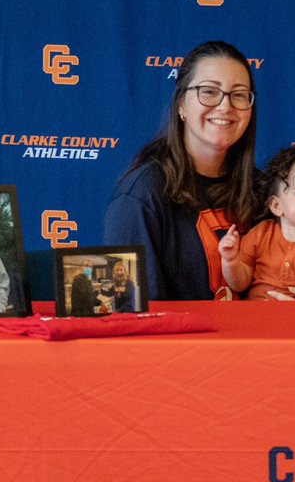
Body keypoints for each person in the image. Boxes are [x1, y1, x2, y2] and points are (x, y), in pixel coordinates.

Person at [103, 40, 262, 300]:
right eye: (209, 91)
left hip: (255, 339)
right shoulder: (140, 197)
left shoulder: (262, 189)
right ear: (181, 105)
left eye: (239, 94)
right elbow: (132, 312)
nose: (225, 106)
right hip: (180, 340)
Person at [219, 147, 295, 301]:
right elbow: (239, 284)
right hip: (250, 320)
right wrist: (230, 260)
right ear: (277, 206)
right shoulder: (261, 233)